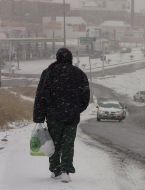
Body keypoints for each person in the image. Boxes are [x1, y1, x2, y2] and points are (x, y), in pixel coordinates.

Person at [33, 48, 90, 183]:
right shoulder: (78, 73)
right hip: (71, 116)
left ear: (57, 57)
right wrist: (76, 109)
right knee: (68, 144)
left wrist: (39, 115)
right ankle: (66, 171)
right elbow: (85, 96)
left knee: (54, 143)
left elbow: (40, 95)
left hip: (53, 116)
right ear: (70, 58)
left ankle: (55, 169)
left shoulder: (48, 73)